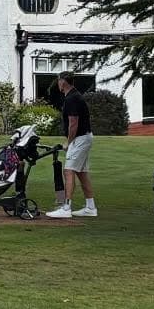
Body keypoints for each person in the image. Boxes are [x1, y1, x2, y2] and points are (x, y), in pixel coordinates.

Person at [46, 72, 96, 218]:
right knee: (81, 173)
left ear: (63, 82)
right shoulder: (74, 96)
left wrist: (69, 142)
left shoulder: (72, 98)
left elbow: (73, 123)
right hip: (84, 137)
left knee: (68, 171)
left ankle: (66, 208)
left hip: (79, 139)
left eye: (59, 81)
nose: (58, 84)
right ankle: (91, 207)